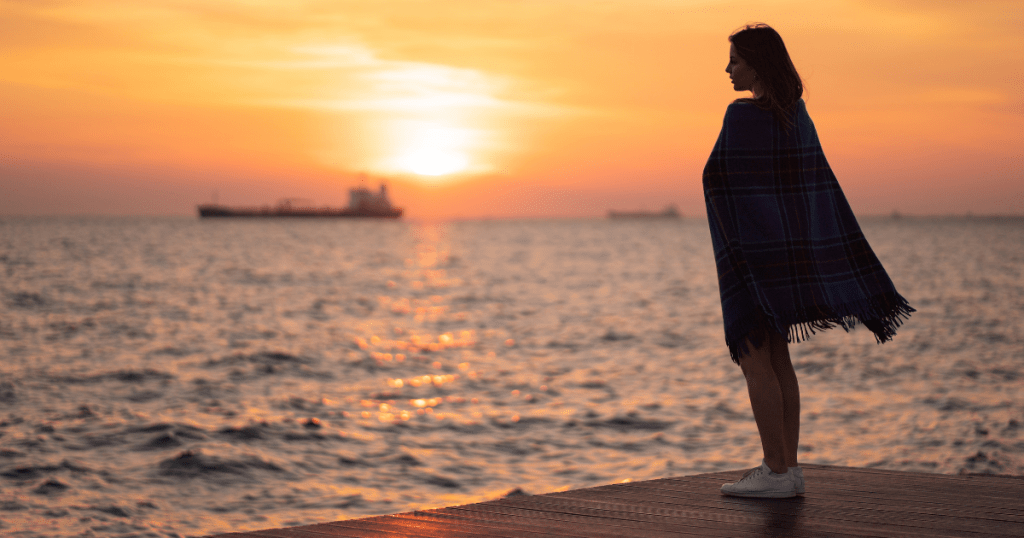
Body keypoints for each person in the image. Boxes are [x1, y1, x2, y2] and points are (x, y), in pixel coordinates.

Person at [703, 24, 914, 498]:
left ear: (757, 62)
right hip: (784, 259)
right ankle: (787, 468)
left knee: (755, 359)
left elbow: (727, 181)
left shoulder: (741, 117)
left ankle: (776, 472)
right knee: (779, 359)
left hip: (752, 258)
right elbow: (814, 193)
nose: (727, 68)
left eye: (734, 59)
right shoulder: (797, 117)